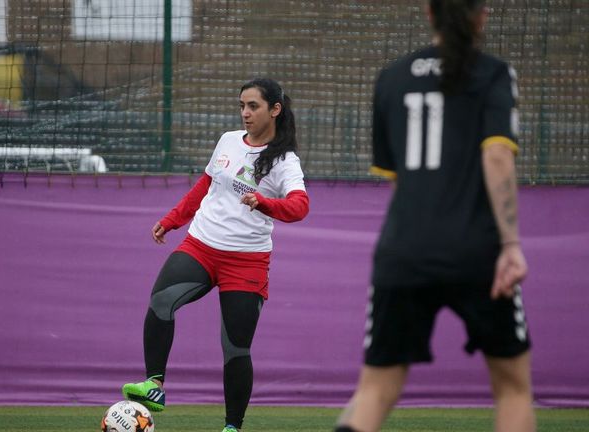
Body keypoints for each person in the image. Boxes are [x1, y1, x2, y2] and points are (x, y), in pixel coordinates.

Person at [334, 1, 535, 432]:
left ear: (429, 13)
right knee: (513, 390)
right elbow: (497, 156)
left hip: (404, 252)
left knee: (374, 391)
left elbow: (398, 181)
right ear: (482, 15)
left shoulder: (391, 78)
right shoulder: (494, 73)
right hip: (477, 253)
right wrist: (511, 245)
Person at [122, 78, 309, 432]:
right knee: (161, 301)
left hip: (246, 262)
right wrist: (172, 220)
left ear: (275, 109)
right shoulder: (228, 140)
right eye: (241, 106)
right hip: (201, 245)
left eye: (253, 106)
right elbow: (205, 186)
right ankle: (154, 385)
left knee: (235, 348)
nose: (245, 113)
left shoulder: (285, 161)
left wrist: (264, 203)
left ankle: (232, 427)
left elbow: (300, 207)